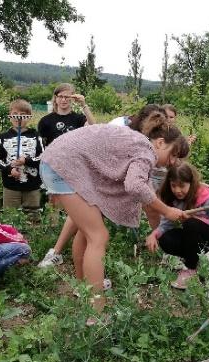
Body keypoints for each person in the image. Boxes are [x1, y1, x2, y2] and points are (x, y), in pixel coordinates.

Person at [40, 111, 190, 318]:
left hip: (56, 161)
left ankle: (84, 287)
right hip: (63, 165)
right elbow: (135, 186)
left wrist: (162, 210)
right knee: (98, 236)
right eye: (173, 154)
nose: (173, 162)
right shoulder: (146, 150)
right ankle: (97, 311)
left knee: (86, 233)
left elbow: (143, 188)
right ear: (161, 142)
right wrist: (167, 211)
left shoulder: (137, 142)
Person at [37, 83, 95, 268]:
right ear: (55, 98)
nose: (63, 100)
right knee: (55, 207)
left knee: (76, 210)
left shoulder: (78, 119)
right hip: (54, 169)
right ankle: (54, 243)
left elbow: (95, 129)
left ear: (73, 98)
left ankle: (60, 250)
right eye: (60, 96)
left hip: (77, 170)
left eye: (67, 97)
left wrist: (84, 105)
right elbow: (42, 149)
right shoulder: (46, 121)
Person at [145, 162, 209, 289]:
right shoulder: (173, 198)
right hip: (193, 237)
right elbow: (166, 225)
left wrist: (196, 218)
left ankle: (191, 269)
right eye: (173, 186)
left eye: (182, 186)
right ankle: (194, 259)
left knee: (190, 224)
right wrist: (154, 234)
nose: (177, 190)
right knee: (166, 238)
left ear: (191, 183)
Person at [0, 99, 44, 219]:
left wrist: (27, 161)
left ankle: (32, 236)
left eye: (23, 115)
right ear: (10, 116)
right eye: (15, 114)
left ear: (29, 117)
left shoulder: (36, 136)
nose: (19, 118)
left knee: (33, 216)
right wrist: (9, 169)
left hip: (32, 185)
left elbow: (43, 156)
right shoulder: (2, 137)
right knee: (10, 216)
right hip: (10, 185)